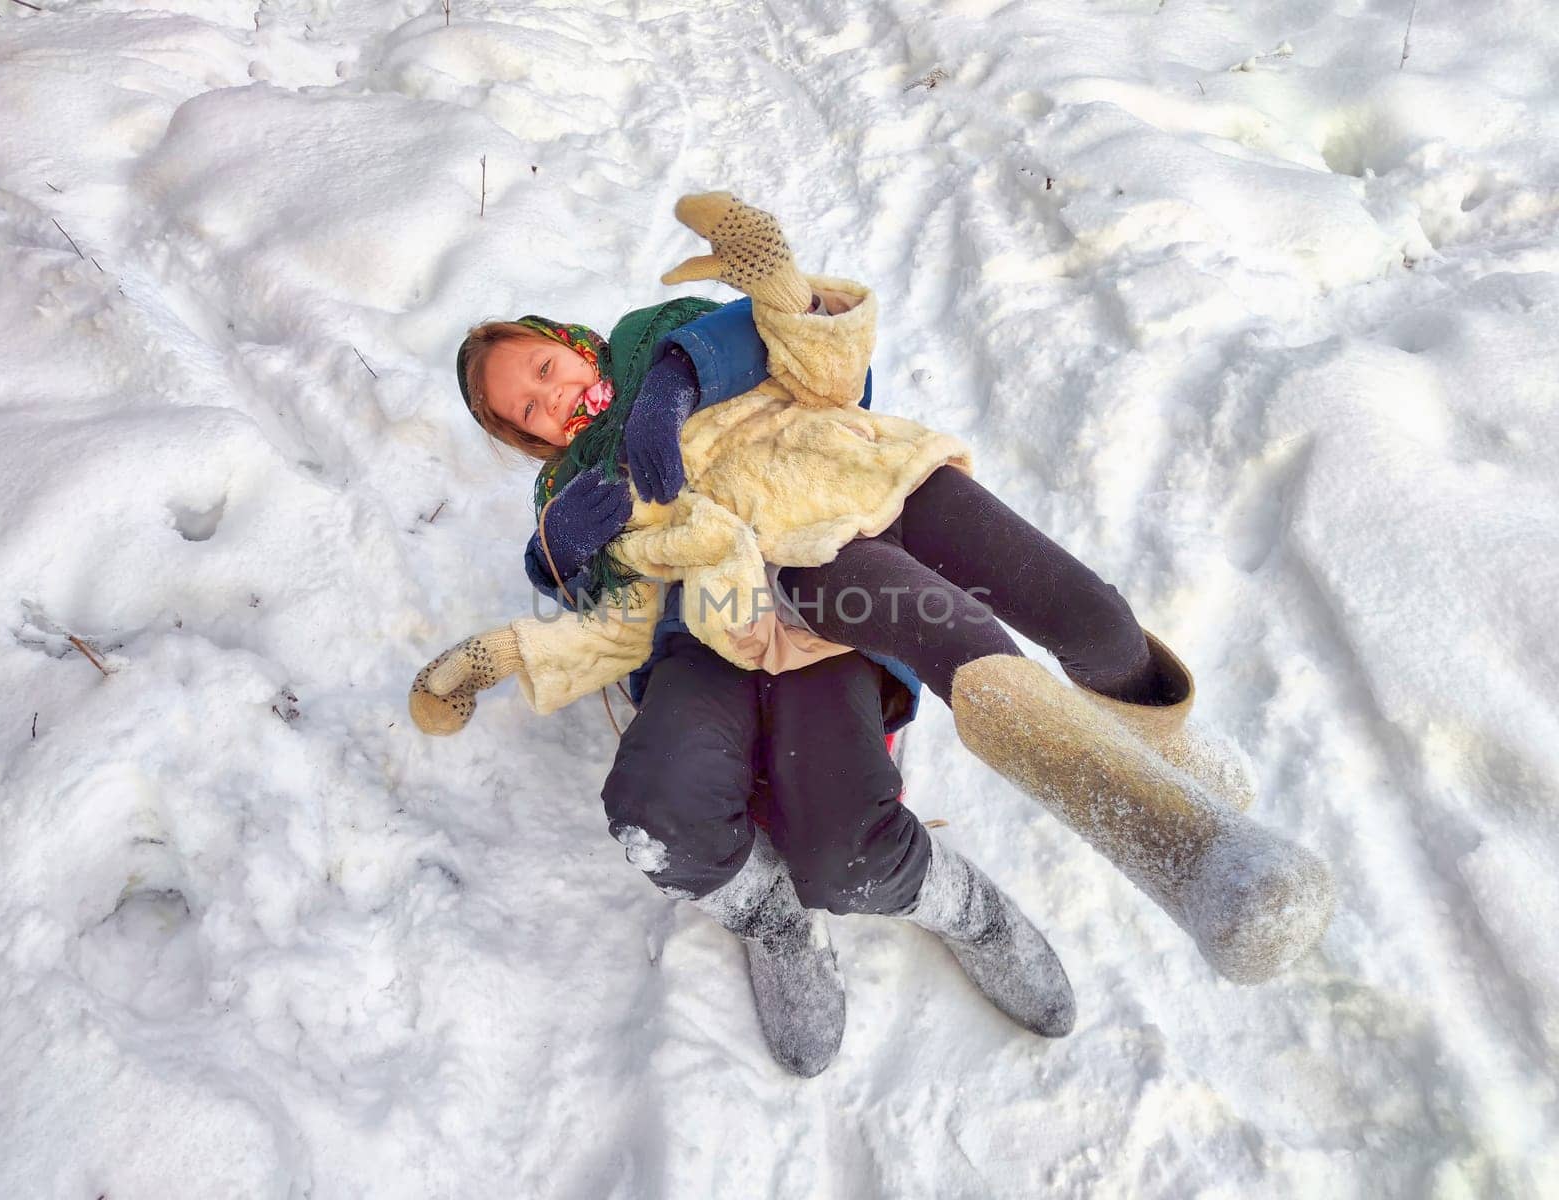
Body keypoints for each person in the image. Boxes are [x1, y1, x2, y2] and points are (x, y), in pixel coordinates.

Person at [411, 192, 1333, 1065]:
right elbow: (613, 617)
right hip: (769, 587)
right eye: (524, 412)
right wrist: (569, 558)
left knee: (1087, 613)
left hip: (863, 483)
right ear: (525, 441)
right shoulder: (562, 493)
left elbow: (818, 363)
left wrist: (718, 345)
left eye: (542, 369)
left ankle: (1161, 755)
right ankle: (1171, 855)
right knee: (961, 666)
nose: (548, 398)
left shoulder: (654, 337)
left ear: (569, 343)